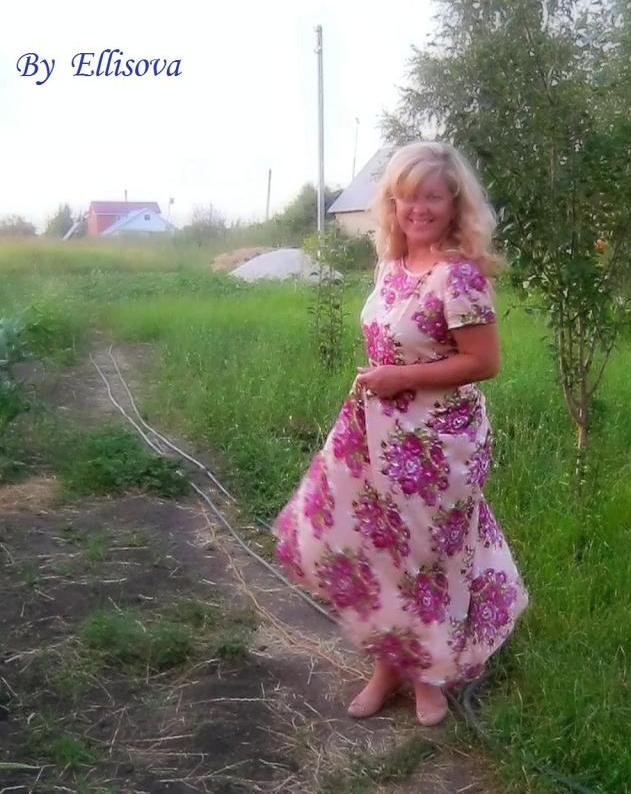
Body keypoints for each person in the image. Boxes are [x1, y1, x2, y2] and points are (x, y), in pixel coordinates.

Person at [271, 140, 529, 726]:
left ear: (453, 203)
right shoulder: (391, 263)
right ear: (392, 203)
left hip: (437, 444)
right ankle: (388, 668)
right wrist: (384, 386)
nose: (418, 208)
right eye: (406, 197)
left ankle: (428, 678)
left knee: (428, 558)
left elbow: (484, 362)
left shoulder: (459, 276)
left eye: (431, 197)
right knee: (379, 550)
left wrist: (400, 378)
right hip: (375, 432)